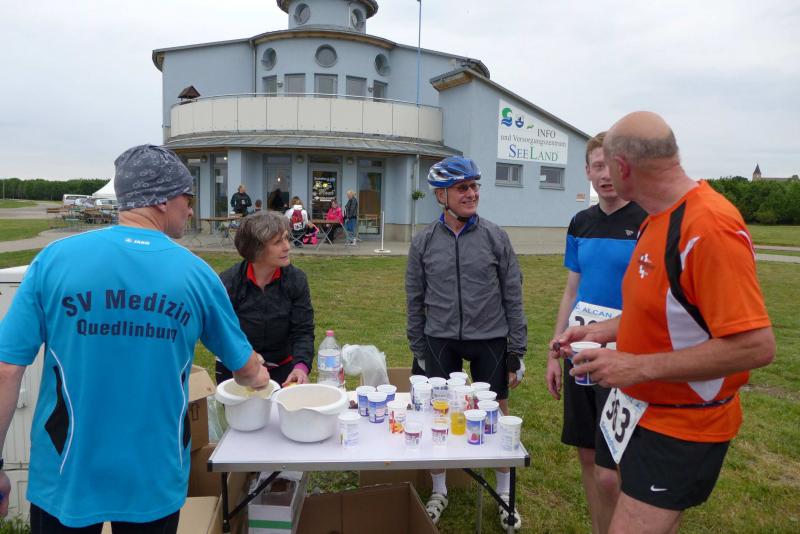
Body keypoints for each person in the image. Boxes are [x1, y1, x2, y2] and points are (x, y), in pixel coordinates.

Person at [0, 145, 269, 532]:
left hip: (66, 474)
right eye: (187, 198)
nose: (190, 210)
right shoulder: (196, 274)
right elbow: (246, 370)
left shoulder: (54, 260)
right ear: (161, 199)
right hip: (153, 478)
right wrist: (259, 374)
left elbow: (7, 369)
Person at [557, 112, 775, 534]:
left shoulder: (709, 226)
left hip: (683, 423)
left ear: (622, 168)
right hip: (640, 411)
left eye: (607, 166)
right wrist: (601, 330)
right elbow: (666, 310)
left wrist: (636, 367)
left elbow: (756, 346)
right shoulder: (656, 217)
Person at [405, 156, 527, 530]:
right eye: (462, 188)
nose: (471, 193)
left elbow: (513, 293)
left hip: (489, 337)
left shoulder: (495, 236)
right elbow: (414, 297)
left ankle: (504, 495)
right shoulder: (424, 241)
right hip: (439, 337)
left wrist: (516, 350)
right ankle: (439, 489)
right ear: (441, 195)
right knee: (437, 414)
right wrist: (418, 347)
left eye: (474, 186)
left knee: (497, 413)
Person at [545, 132, 647, 534]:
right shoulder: (580, 223)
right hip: (581, 351)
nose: (605, 175)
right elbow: (572, 290)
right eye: (597, 166)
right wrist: (555, 351)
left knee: (612, 469)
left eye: (612, 166)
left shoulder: (645, 220)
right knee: (588, 458)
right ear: (587, 171)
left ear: (625, 169)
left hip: (624, 356)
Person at [215, 211, 315, 387]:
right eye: (278, 242)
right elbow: (222, 333)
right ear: (256, 249)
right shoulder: (229, 282)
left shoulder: (296, 280)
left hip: (284, 371)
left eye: (286, 238)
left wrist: (300, 367)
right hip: (238, 370)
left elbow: (303, 330)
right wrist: (247, 362)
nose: (287, 246)